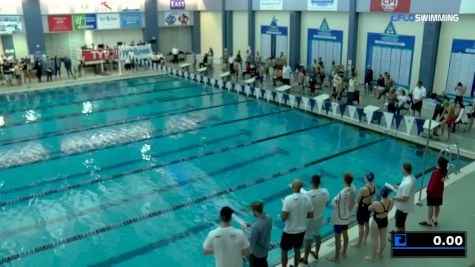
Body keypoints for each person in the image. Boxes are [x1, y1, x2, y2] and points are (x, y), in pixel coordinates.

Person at [281, 179, 314, 267]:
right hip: (301, 230)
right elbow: (311, 215)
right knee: (297, 250)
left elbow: (283, 218)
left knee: (284, 251)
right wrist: (301, 216)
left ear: (294, 187)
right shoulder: (307, 198)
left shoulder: (288, 199)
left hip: (289, 231)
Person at [328, 173, 356, 262]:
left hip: (339, 219)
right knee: (345, 233)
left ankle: (336, 257)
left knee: (337, 237)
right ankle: (343, 251)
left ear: (344, 181)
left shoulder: (341, 193)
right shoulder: (353, 188)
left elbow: (333, 204)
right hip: (347, 217)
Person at [302, 175, 329, 265]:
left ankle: (305, 259)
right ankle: (316, 253)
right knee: (318, 235)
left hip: (309, 221)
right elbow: (327, 204)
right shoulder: (325, 191)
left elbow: (303, 208)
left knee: (308, 239)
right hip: (320, 217)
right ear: (319, 182)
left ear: (311, 182)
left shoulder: (307, 195)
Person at [364, 187, 394, 261]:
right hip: (385, 220)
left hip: (376, 221)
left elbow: (369, 208)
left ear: (381, 194)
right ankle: (380, 253)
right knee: (383, 238)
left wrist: (374, 200)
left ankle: (373, 257)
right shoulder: (391, 201)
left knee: (374, 240)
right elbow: (390, 208)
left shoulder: (376, 203)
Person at [419, 157, 449, 227]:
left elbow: (433, 184)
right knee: (437, 205)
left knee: (430, 206)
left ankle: (429, 221)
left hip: (433, 193)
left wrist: (428, 191)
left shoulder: (436, 172)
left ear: (439, 164)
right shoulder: (445, 171)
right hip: (440, 192)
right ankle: (435, 219)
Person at [391, 163, 416, 238]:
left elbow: (405, 198)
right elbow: (408, 190)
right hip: (403, 207)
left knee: (400, 224)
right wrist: (399, 187)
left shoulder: (408, 183)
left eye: (402, 169)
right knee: (400, 223)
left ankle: (400, 240)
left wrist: (394, 198)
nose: (401, 170)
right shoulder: (411, 177)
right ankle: (399, 235)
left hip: (403, 208)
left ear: (405, 170)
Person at [352, 172, 376, 248]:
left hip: (362, 209)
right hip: (368, 207)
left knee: (361, 227)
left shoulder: (363, 189)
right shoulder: (374, 186)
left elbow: (357, 201)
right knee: (367, 224)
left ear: (366, 178)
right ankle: (364, 240)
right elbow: (373, 197)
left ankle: (359, 244)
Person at [248, 201, 272, 267]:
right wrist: (251, 225)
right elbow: (263, 227)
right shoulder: (269, 218)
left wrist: (245, 232)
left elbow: (252, 242)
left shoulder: (255, 226)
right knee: (263, 263)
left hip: (256, 254)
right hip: (265, 250)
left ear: (254, 211)